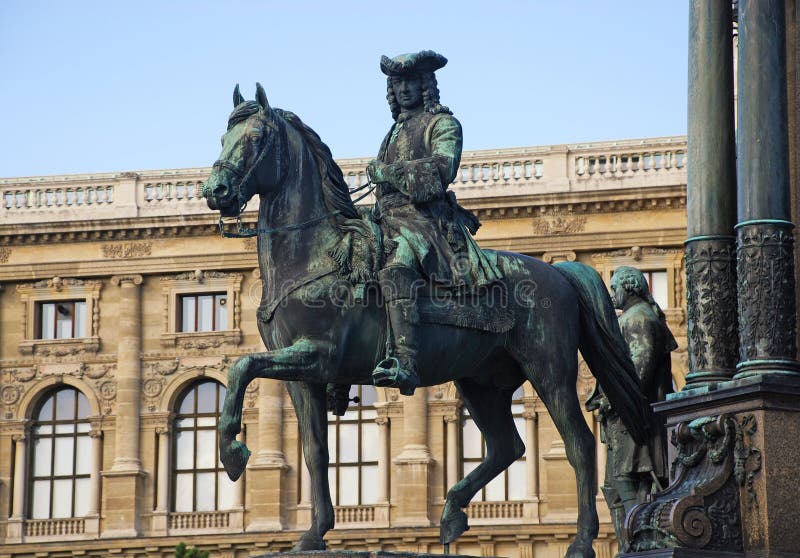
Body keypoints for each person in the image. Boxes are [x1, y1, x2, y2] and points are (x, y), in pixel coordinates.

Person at [366, 51, 502, 396]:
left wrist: (388, 172)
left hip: (425, 220)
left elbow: (442, 171)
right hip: (387, 217)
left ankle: (407, 362)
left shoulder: (443, 124)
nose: (404, 90)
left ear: (425, 85)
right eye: (397, 84)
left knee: (397, 266)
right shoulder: (393, 130)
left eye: (411, 82)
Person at [587, 266, 677, 548]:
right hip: (625, 416)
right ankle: (631, 545)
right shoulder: (633, 317)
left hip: (634, 418)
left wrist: (610, 399)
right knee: (615, 486)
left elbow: (640, 370)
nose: (612, 295)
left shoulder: (639, 318)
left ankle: (639, 543)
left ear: (629, 287)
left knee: (628, 480)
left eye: (614, 289)